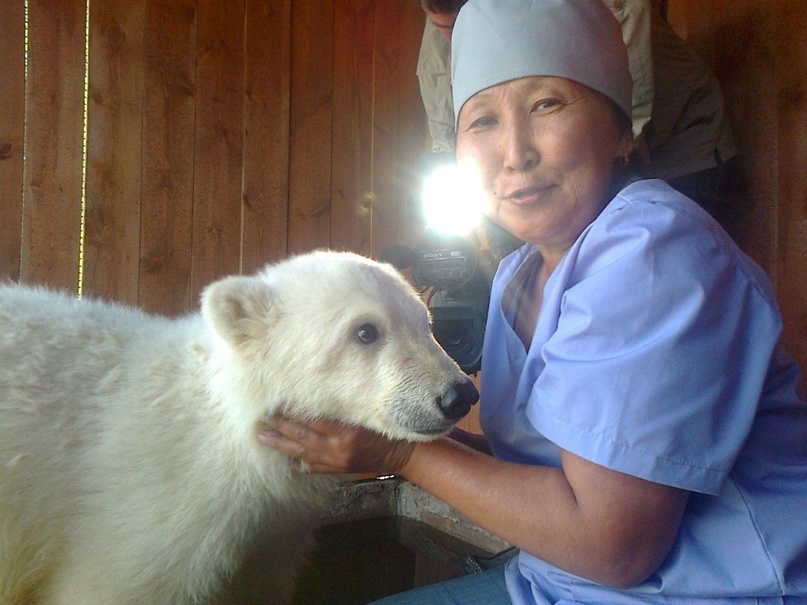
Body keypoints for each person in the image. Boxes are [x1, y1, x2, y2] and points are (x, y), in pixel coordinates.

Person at [260, 0, 807, 603]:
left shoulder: (650, 254)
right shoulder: (519, 273)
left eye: (548, 104)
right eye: (483, 122)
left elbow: (612, 546)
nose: (514, 152)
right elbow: (556, 463)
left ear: (623, 132)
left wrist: (399, 453)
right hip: (555, 585)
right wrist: (384, 430)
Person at [415, 0, 737, 217]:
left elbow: (627, 115)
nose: (459, 33)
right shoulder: (442, 37)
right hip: (588, 158)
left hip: (681, 142)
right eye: (445, 28)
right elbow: (448, 139)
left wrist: (631, 131)